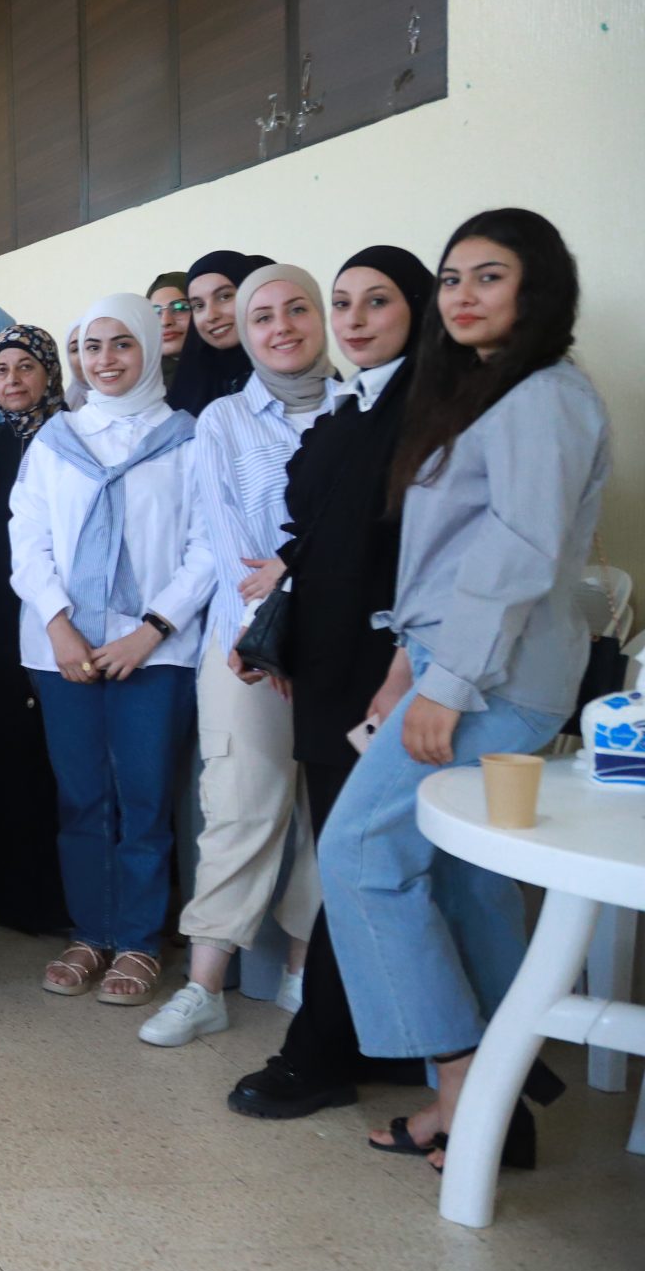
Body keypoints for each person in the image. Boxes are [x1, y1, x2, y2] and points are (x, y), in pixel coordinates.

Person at [320, 209, 609, 1175]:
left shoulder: (545, 396)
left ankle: (466, 1081)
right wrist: (409, 666)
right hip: (463, 667)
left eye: (489, 275)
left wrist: (444, 684)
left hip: (491, 680)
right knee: (461, 879)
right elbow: (447, 562)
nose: (463, 295)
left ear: (538, 287)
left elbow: (517, 554)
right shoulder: (488, 391)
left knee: (360, 852)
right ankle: (500, 1102)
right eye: (451, 278)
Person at [228, 246, 435, 1119]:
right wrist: (275, 638)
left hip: (387, 671)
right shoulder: (355, 408)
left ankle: (320, 1051)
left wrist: (405, 669)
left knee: (359, 861)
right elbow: (314, 538)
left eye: (375, 301)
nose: (353, 319)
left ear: (418, 308)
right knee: (356, 857)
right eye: (343, 301)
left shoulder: (434, 409)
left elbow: (428, 555)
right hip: (327, 668)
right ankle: (386, 1037)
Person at [140, 262, 339, 1048]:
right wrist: (273, 638)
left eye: (298, 309)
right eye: (263, 316)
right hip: (247, 647)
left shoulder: (363, 407)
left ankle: (302, 969)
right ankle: (205, 985)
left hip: (344, 646)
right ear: (246, 333)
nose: (281, 326)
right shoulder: (223, 419)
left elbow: (371, 531)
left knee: (330, 815)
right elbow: (231, 548)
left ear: (320, 317)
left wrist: (295, 572)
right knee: (238, 804)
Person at [9, 293, 211, 1010]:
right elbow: (27, 540)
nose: (106, 360)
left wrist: (151, 629)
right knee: (82, 797)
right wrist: (59, 625)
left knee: (146, 799)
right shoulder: (57, 439)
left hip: (155, 649)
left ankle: (139, 941)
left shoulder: (188, 438)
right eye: (92, 346)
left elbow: (208, 547)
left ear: (151, 348)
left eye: (122, 344)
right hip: (60, 647)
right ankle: (91, 933)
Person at [0, 324, 69, 936]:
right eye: (1, 371)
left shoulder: (73, 437)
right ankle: (6, 895)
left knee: (52, 756)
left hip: (57, 614)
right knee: (1, 747)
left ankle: (57, 898)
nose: (12, 381)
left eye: (25, 367)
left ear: (48, 372)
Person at [166, 250, 258, 416]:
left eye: (224, 296)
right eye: (199, 305)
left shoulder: (288, 370)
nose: (211, 315)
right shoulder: (190, 388)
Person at [145, 270, 191, 386]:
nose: (165, 321)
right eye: (155, 312)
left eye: (179, 308)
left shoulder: (230, 374)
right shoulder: (138, 383)